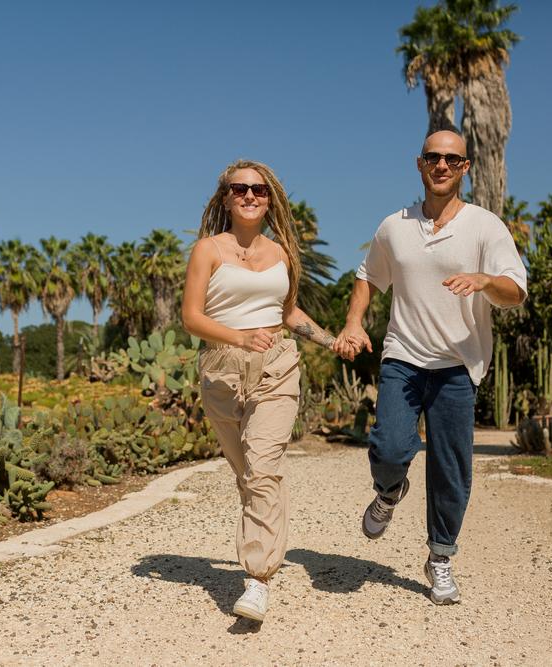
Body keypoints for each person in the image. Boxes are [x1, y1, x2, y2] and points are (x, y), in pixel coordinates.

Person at [334, 130, 527, 605]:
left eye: (451, 159)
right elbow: (367, 277)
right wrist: (354, 322)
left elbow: (515, 291)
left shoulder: (486, 227)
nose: (441, 165)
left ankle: (439, 557)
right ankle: (388, 490)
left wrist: (485, 280)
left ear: (465, 168)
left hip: (458, 365)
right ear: (420, 164)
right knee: (390, 448)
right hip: (403, 355)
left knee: (451, 468)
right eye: (432, 157)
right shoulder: (393, 227)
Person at [182, 159, 343, 622]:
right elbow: (191, 317)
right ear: (226, 197)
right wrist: (237, 337)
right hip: (221, 370)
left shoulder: (282, 254)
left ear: (270, 199)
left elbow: (288, 312)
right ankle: (264, 544)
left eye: (259, 190)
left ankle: (257, 578)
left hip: (276, 366)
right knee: (247, 472)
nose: (250, 196)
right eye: (240, 189)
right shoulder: (207, 250)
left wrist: (333, 341)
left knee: (263, 466)